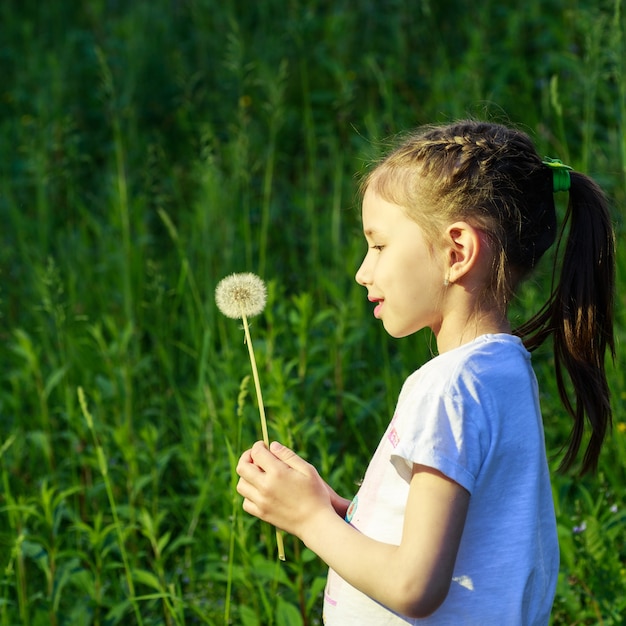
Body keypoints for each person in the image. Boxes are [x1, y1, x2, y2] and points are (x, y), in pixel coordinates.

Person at [235, 120, 616, 624]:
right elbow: (460, 538)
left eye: (379, 245)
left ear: (457, 251)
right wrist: (344, 515)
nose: (362, 271)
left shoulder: (450, 389)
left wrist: (306, 519)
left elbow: (415, 585)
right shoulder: (503, 370)